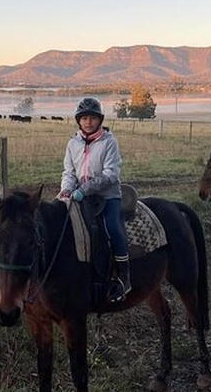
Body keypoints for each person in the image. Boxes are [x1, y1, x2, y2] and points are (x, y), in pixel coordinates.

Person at [58, 97, 130, 302]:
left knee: (112, 227)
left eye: (92, 118)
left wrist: (84, 189)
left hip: (107, 196)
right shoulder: (73, 143)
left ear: (100, 120)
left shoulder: (109, 142)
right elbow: (69, 171)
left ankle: (124, 276)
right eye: (84, 118)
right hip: (79, 195)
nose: (88, 122)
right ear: (78, 121)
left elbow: (111, 174)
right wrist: (66, 189)